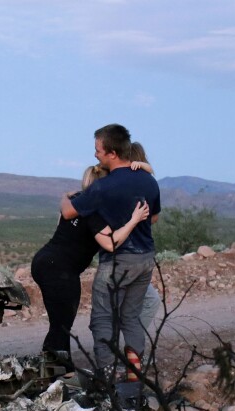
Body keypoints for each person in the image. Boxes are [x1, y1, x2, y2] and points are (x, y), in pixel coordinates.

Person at [60, 124, 161, 382]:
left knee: (103, 319)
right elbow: (155, 217)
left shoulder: (103, 187)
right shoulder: (148, 180)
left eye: (98, 150)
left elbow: (69, 212)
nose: (96, 155)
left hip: (117, 262)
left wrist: (71, 197)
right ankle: (134, 374)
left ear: (112, 153)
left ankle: (105, 378)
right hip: (145, 258)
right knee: (131, 317)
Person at [32, 164, 149, 375]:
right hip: (60, 269)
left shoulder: (75, 201)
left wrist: (65, 196)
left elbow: (64, 206)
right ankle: (58, 376)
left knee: (59, 322)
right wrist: (134, 220)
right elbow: (111, 243)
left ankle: (52, 372)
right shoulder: (95, 211)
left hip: (45, 261)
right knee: (61, 325)